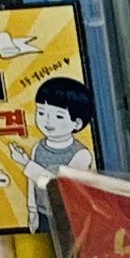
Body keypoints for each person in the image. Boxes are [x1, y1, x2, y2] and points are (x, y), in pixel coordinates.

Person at [22, 77, 96, 226]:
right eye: (41, 113)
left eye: (59, 116)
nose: (48, 121)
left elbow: (59, 186)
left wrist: (26, 164)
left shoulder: (81, 154)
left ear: (77, 123)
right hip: (43, 213)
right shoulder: (38, 147)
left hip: (71, 215)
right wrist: (32, 209)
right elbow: (32, 185)